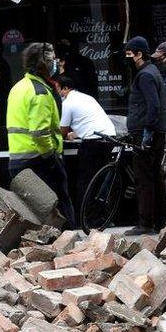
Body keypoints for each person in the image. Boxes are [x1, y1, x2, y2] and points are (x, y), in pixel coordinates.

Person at [7, 43, 75, 228]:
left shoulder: (19, 87)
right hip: (39, 161)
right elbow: (40, 133)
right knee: (59, 204)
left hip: (18, 159)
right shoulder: (40, 93)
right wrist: (52, 159)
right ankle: (70, 245)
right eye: (52, 60)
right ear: (42, 64)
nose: (56, 63)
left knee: (35, 213)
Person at [123, 36, 166, 236]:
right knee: (155, 177)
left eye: (130, 54)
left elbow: (154, 106)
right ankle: (160, 221)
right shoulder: (153, 72)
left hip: (145, 133)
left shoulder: (145, 76)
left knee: (144, 179)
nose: (127, 58)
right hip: (154, 131)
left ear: (139, 54)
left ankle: (145, 223)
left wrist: (146, 135)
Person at [57, 75, 115, 226]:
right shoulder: (86, 98)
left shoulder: (68, 103)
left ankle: (86, 219)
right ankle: (103, 216)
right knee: (101, 180)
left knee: (86, 182)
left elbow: (61, 131)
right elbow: (88, 120)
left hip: (94, 142)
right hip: (107, 138)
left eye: (58, 90)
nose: (58, 94)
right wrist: (75, 133)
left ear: (65, 88)